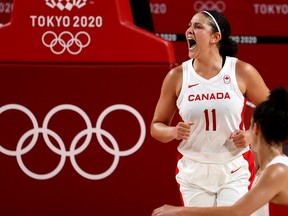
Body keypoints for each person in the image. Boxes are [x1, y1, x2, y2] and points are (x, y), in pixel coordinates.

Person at [150, 10, 270, 207]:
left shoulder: (241, 71)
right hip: (193, 171)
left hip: (234, 168)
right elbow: (156, 126)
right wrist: (173, 131)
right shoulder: (177, 76)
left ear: (216, 37)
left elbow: (276, 112)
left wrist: (251, 134)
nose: (189, 30)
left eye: (198, 26)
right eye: (189, 25)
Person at [151, 86, 288, 216]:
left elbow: (236, 212)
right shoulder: (269, 170)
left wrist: (178, 212)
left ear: (256, 129)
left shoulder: (277, 171)